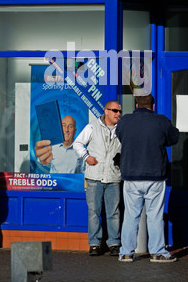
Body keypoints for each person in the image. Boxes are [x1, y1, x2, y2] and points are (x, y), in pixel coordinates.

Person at [115, 94, 179, 263]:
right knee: (155, 215)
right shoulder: (161, 121)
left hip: (131, 176)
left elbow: (120, 137)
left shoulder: (124, 121)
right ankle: (157, 252)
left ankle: (126, 253)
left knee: (130, 215)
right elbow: (174, 138)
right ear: (153, 105)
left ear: (136, 105)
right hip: (154, 176)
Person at [73, 101, 122, 256]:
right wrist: (86, 157)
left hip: (113, 176)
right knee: (94, 212)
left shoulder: (122, 129)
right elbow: (77, 143)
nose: (118, 114)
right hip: (94, 177)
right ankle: (94, 244)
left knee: (113, 212)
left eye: (119, 111)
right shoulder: (92, 126)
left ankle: (114, 243)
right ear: (106, 111)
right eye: (114, 111)